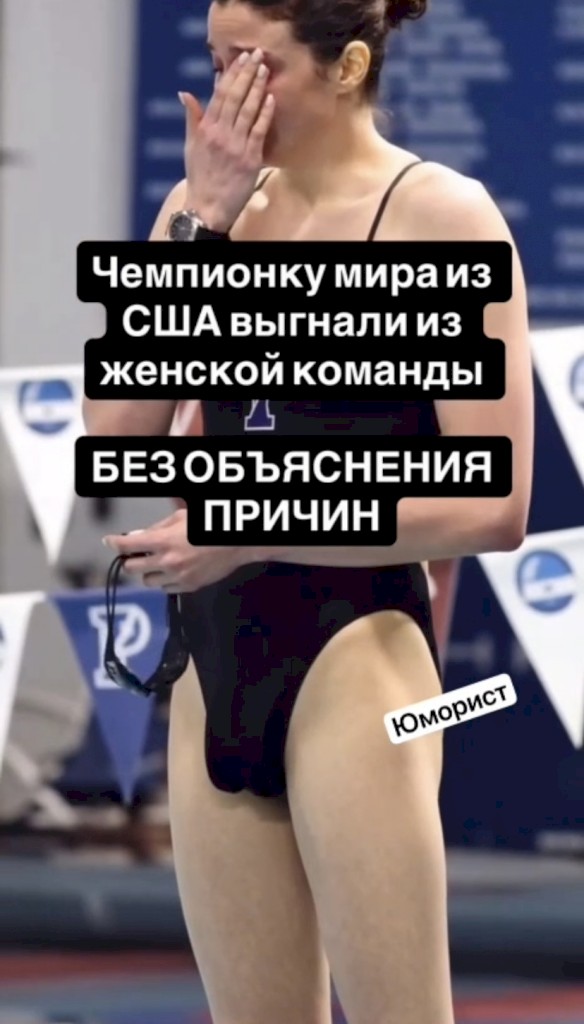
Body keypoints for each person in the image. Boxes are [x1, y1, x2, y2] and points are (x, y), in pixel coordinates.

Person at [83, 0, 534, 1021]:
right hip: (213, 662)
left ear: (347, 66)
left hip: (355, 651)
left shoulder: (438, 218)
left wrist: (254, 525)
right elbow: (113, 434)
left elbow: (494, 502)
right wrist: (199, 231)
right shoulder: (200, 210)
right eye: (215, 62)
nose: (227, 96)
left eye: (256, 63)